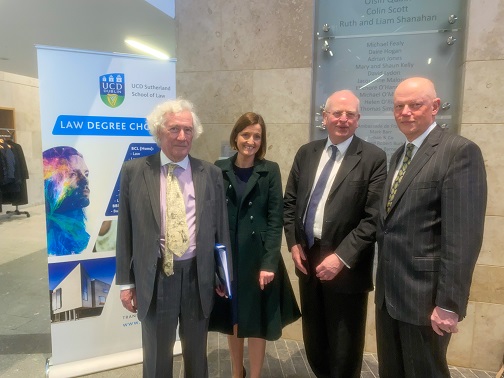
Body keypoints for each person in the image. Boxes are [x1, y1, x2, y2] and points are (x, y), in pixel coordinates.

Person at [375, 77, 487, 377]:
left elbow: (463, 238)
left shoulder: (459, 152)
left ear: (435, 107)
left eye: (416, 105)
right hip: (390, 296)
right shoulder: (399, 155)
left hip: (424, 299)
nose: (406, 112)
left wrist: (449, 304)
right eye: (399, 106)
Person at [115, 98, 232, 378]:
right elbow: (125, 232)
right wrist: (126, 282)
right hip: (155, 279)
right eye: (174, 129)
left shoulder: (211, 173)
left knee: (196, 356)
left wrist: (223, 275)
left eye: (188, 130)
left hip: (197, 277)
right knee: (156, 357)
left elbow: (221, 228)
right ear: (158, 132)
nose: (182, 136)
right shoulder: (134, 171)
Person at [284, 90, 387, 378]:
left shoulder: (373, 157)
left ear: (358, 120)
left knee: (345, 344)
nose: (343, 119)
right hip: (307, 257)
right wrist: (293, 244)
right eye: (337, 113)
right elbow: (290, 202)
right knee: (314, 338)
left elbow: (373, 217)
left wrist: (340, 257)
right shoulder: (307, 153)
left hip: (346, 262)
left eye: (350, 114)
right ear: (324, 117)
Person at [209, 112, 300, 378]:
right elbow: (213, 218)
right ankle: (238, 371)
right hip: (229, 256)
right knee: (233, 318)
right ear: (235, 137)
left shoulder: (269, 170)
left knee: (257, 321)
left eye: (257, 136)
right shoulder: (219, 168)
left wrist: (269, 263)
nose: (251, 141)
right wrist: (216, 266)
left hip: (258, 258)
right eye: (246, 134)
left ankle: (256, 375)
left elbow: (275, 219)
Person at [43, 146, 90, 256]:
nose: (85, 181)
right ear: (51, 181)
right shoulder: (51, 237)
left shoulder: (77, 225)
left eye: (86, 174)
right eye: (72, 174)